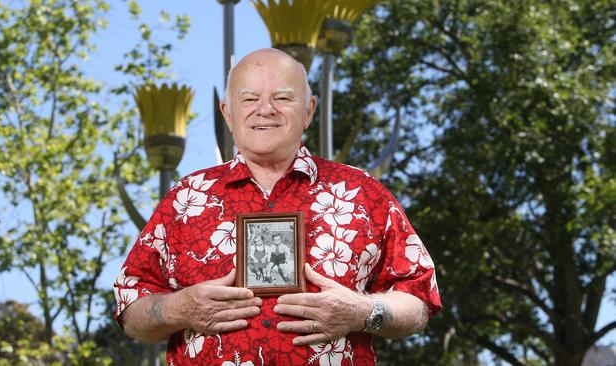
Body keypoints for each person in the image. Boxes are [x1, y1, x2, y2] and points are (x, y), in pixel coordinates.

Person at [114, 48, 442, 365]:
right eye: (249, 98)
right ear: (228, 113)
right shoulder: (186, 198)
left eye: (283, 98)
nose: (265, 109)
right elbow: (130, 308)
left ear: (309, 110)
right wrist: (178, 309)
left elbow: (418, 300)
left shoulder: (362, 192)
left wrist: (362, 311)